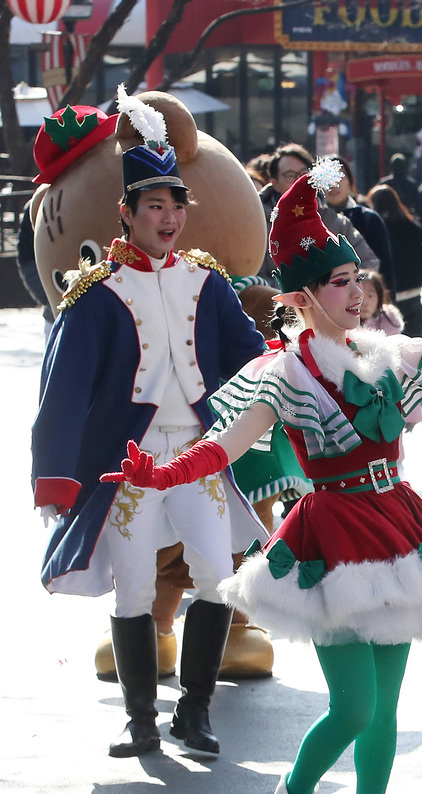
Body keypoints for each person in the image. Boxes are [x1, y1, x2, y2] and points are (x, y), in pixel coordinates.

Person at [101, 157, 422, 794]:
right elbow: (224, 445)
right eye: (340, 282)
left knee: (386, 708)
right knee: (353, 705)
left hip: (398, 528)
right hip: (331, 543)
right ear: (302, 297)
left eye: (358, 279)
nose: (358, 292)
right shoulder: (286, 374)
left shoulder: (384, 351)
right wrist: (159, 474)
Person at [32, 88, 268, 759]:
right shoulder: (96, 293)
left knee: (217, 574)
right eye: (154, 206)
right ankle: (140, 718)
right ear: (127, 212)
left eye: (175, 206)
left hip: (197, 457)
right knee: (134, 586)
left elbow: (253, 357)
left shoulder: (207, 282)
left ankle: (194, 710)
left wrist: (298, 372)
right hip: (126, 466)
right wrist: (53, 476)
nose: (168, 218)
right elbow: (63, 391)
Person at [259, 144, 376, 281]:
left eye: (303, 173)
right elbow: (252, 276)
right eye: (290, 176)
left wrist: (338, 287)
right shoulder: (259, 224)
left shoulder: (336, 222)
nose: (298, 180)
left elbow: (369, 263)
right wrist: (296, 293)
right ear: (275, 183)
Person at [368, 184, 422, 337]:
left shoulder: (376, 229)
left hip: (387, 294)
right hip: (413, 290)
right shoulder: (412, 226)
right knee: (416, 343)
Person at [323, 155, 394, 289]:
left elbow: (385, 269)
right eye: (327, 177)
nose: (334, 184)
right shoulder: (312, 220)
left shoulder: (369, 219)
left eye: (340, 176)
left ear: (350, 182)